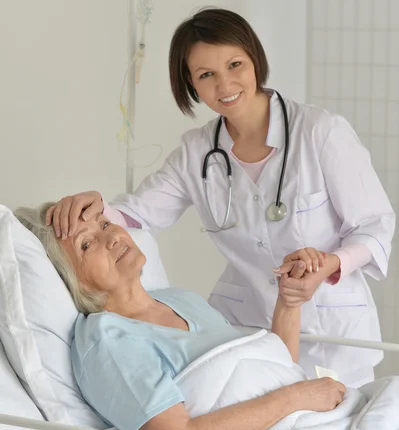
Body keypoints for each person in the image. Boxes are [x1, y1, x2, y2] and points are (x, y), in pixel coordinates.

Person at [46, 8, 395, 388]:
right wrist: (93, 206)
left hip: (333, 333)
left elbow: (374, 226)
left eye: (235, 65)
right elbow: (138, 214)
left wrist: (330, 264)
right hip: (247, 330)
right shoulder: (197, 153)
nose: (225, 84)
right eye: (206, 75)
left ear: (255, 60)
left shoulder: (321, 132)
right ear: (191, 84)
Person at [16, 203, 346, 430]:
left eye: (104, 224)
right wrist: (298, 397)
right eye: (87, 244)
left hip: (305, 426)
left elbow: (276, 370)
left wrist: (289, 301)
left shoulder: (180, 299)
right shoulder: (105, 338)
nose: (112, 237)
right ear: (69, 278)